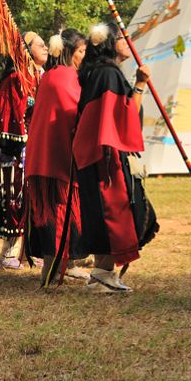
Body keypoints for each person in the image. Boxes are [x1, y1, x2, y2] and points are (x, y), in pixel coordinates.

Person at [71, 22, 158, 292]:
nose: (128, 42)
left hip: (95, 154)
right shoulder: (108, 74)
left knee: (102, 211)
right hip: (107, 156)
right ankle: (102, 275)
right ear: (110, 43)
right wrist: (141, 84)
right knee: (113, 212)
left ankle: (102, 273)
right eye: (122, 37)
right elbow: (126, 117)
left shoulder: (97, 72)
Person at [24, 28, 87, 285]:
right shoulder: (66, 77)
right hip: (56, 158)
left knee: (55, 212)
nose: (84, 56)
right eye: (81, 51)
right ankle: (50, 274)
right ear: (70, 52)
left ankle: (63, 266)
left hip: (43, 157)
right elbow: (78, 116)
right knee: (58, 213)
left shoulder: (51, 74)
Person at [0, 31, 48, 269]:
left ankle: (29, 251)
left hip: (36, 147)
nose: (45, 48)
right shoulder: (15, 79)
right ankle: (9, 252)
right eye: (40, 45)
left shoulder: (40, 76)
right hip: (18, 150)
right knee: (17, 198)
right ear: (26, 51)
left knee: (34, 200)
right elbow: (13, 117)